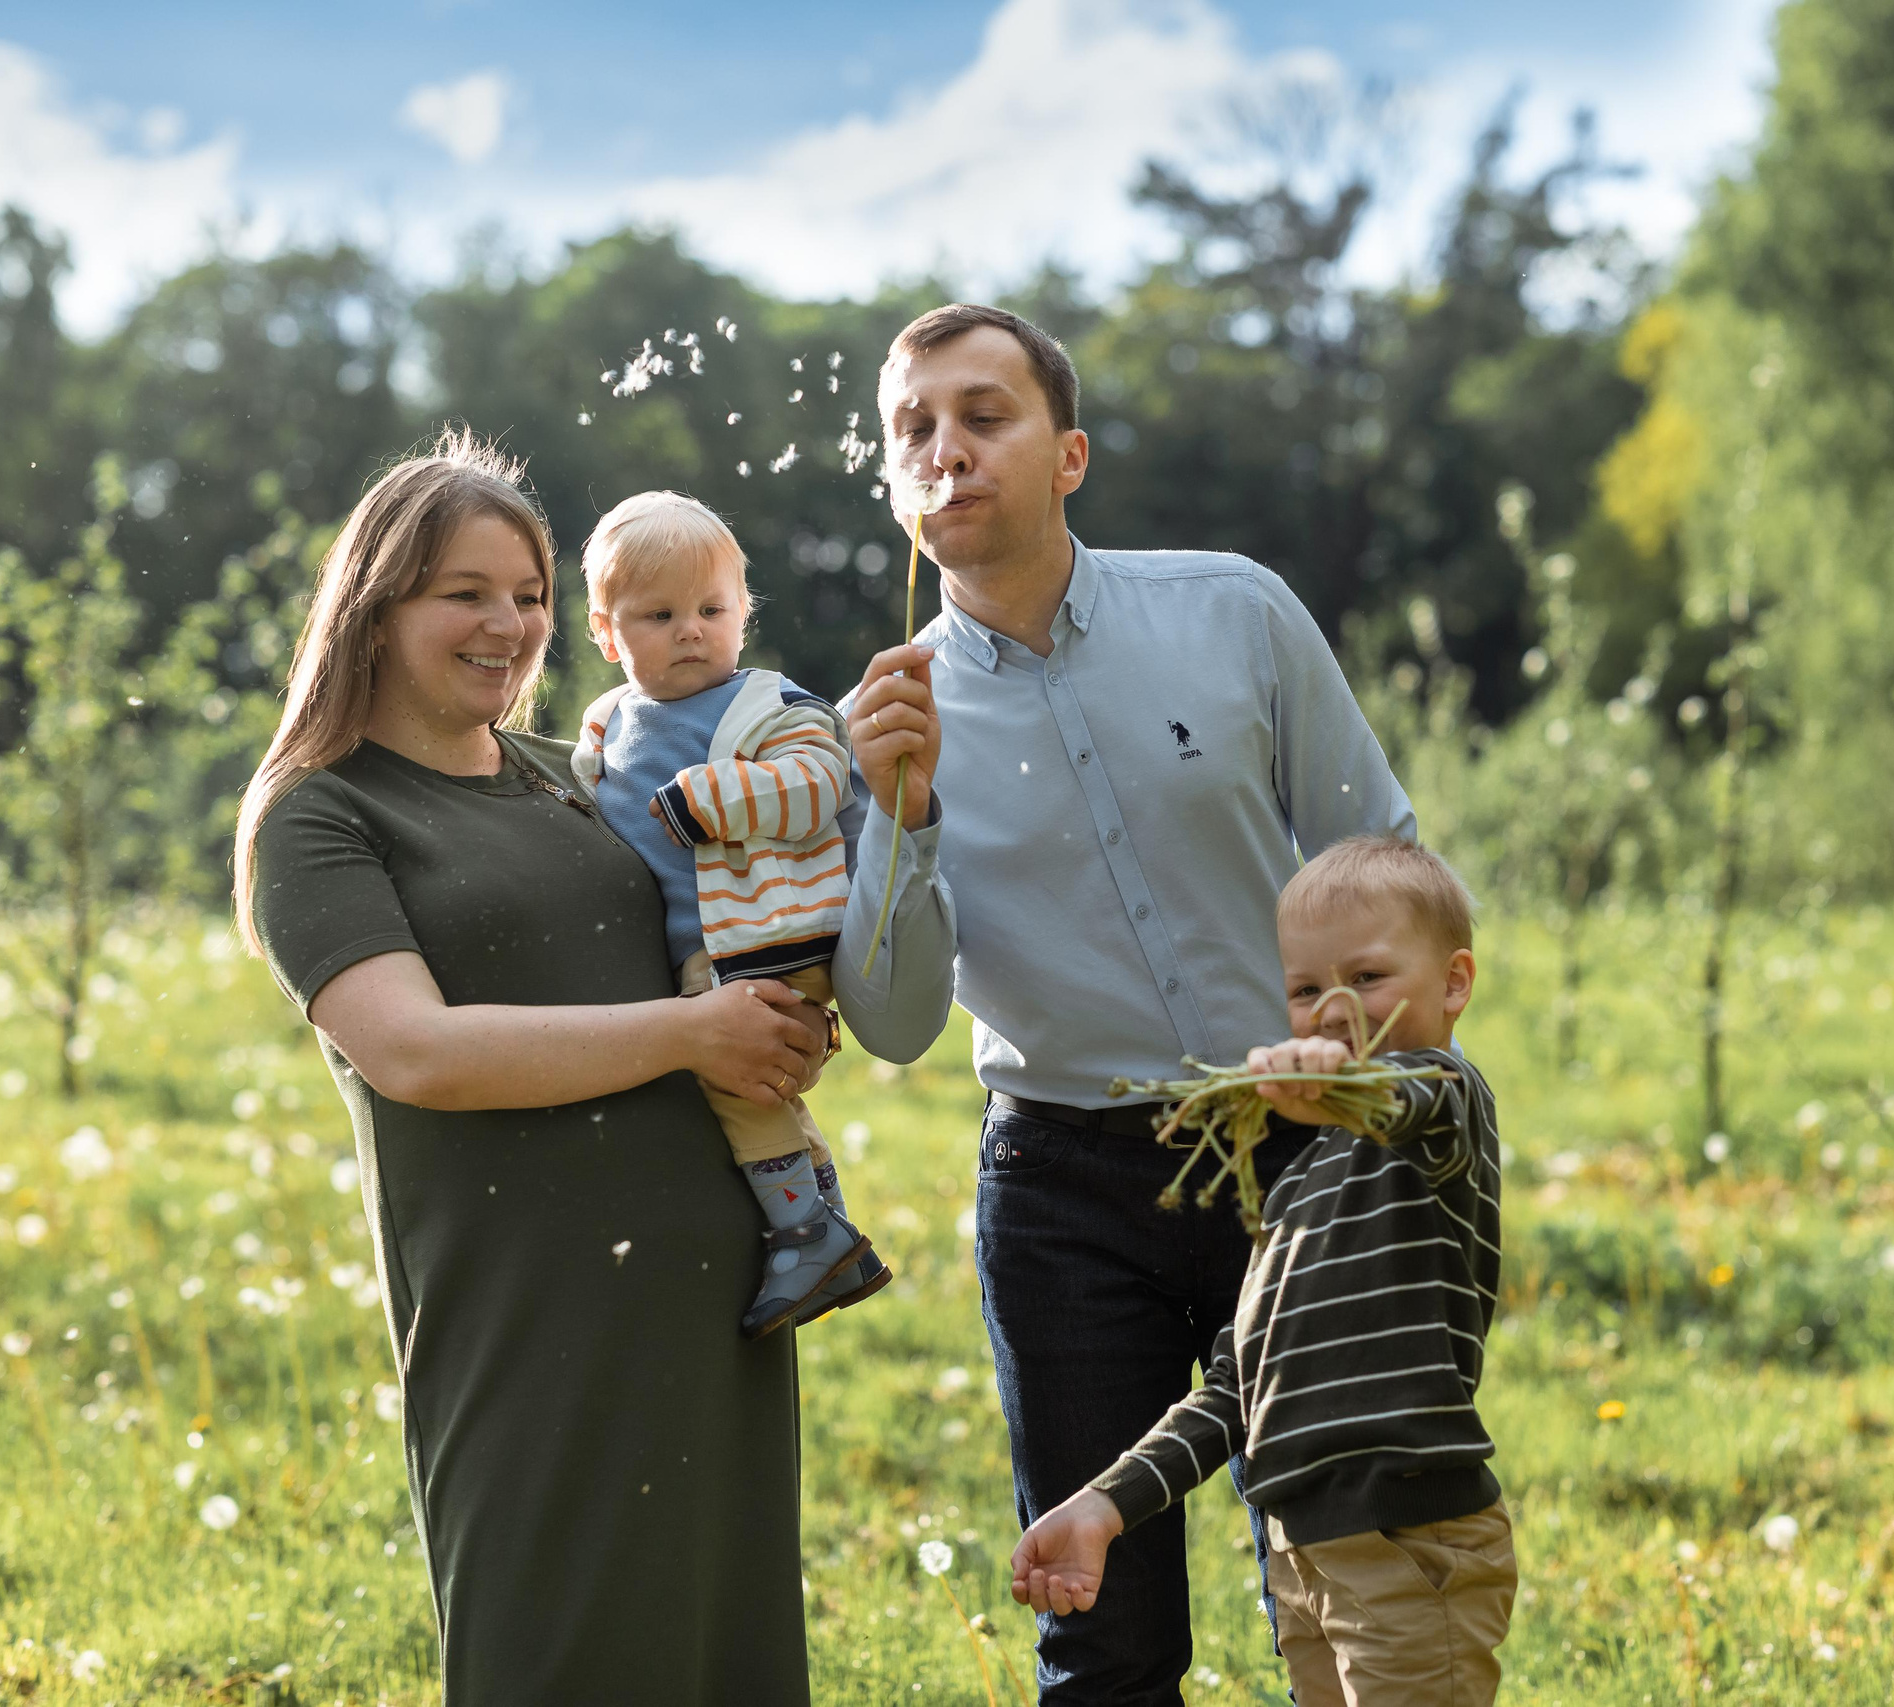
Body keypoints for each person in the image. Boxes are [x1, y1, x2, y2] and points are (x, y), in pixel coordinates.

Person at [836, 304, 1416, 1703]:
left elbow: (1382, 861)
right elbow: (898, 1021)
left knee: (1355, 1587)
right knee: (1103, 1626)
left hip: (1307, 1150)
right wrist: (897, 816)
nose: (948, 449)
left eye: (986, 415)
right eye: (915, 428)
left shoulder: (1235, 610)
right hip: (1063, 1184)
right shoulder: (874, 724)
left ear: (1069, 453)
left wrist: (1347, 1048)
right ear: (892, 484)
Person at [231, 430, 828, 1705]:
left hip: (711, 1295)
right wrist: (689, 1034)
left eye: (532, 595)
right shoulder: (323, 812)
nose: (508, 623)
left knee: (727, 1657)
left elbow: (728, 927)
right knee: (554, 1650)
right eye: (466, 593)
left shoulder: (587, 776)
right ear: (376, 604)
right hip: (527, 1312)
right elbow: (415, 1051)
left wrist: (783, 1009)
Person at [1008, 835, 1514, 1707]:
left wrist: (1344, 1080)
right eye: (1307, 990)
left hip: (1408, 1537)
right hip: (1305, 1555)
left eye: (1368, 978)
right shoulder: (1294, 1187)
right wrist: (1104, 1505)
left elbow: (1410, 1097)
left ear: (1455, 983)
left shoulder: (1445, 1108)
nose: (1333, 1009)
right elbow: (1237, 1387)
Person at [570, 489, 889, 1337]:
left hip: (764, 932)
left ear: (744, 613)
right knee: (764, 1083)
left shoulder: (763, 703)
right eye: (659, 614)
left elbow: (822, 780)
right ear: (607, 634)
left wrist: (718, 798)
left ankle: (803, 1232)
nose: (691, 630)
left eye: (713, 608)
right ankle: (824, 1209)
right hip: (706, 946)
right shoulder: (609, 721)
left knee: (734, 1083)